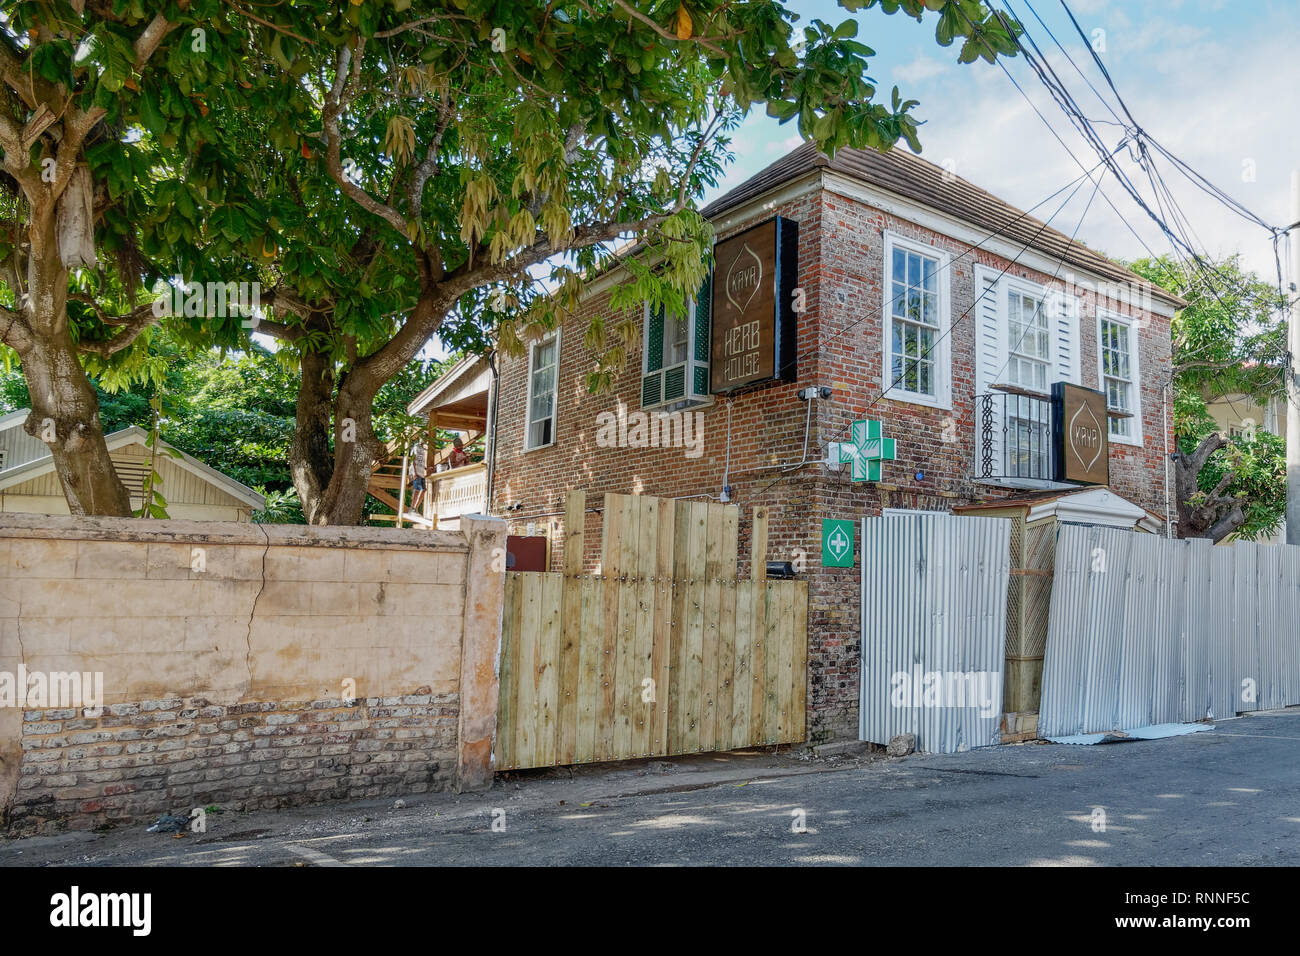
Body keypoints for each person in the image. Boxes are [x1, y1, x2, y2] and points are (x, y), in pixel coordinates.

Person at [408, 441, 428, 510]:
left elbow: (422, 462)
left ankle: (415, 508)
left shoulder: (424, 449)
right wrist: (414, 472)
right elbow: (412, 460)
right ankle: (412, 507)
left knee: (423, 490)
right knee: (417, 489)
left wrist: (426, 469)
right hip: (416, 471)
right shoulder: (415, 447)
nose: (425, 439)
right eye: (424, 436)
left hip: (421, 472)